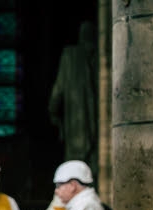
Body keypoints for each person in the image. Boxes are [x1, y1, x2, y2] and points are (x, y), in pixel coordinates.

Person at [48, 20, 98, 177]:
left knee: (77, 173)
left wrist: (53, 114)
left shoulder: (70, 56)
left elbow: (57, 93)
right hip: (92, 128)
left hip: (78, 130)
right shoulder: (102, 54)